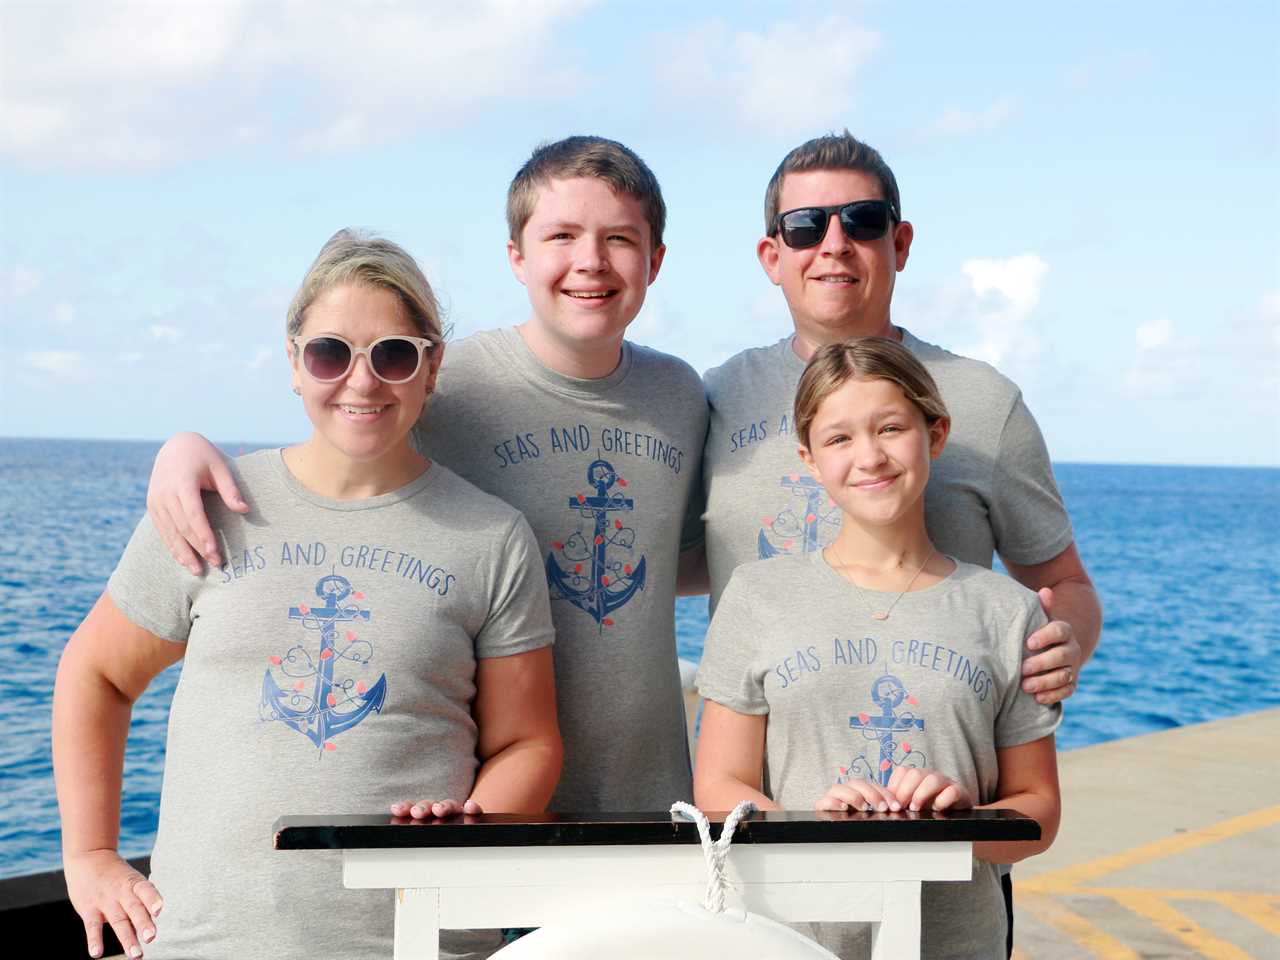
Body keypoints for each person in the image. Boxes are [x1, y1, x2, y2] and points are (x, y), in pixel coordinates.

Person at [143, 137, 708, 814]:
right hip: (479, 805)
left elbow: (690, 556)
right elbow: (338, 446)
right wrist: (182, 448)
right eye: (562, 235)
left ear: (657, 261)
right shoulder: (439, 380)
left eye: (619, 238)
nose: (590, 261)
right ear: (516, 257)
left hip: (649, 798)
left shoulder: (680, 397)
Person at [53, 231, 561, 960]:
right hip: (202, 944)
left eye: (392, 354)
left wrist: (476, 819)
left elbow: (528, 741)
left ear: (431, 365)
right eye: (330, 353)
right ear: (294, 364)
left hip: (418, 944)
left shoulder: (491, 536)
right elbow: (96, 674)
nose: (362, 381)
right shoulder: (210, 507)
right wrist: (91, 855)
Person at [694, 337, 1062, 960]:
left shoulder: (1004, 610)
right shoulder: (758, 595)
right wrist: (809, 819)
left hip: (955, 943)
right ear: (809, 460)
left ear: (935, 434)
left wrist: (961, 821)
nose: (869, 456)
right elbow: (718, 786)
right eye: (839, 439)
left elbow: (1039, 814)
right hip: (792, 940)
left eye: (890, 427)